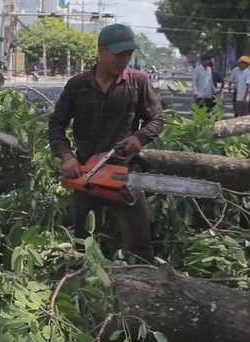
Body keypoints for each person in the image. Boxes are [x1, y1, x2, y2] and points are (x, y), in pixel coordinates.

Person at [48, 24, 164, 264]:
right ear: (102, 50)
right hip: (87, 174)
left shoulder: (138, 82)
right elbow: (56, 125)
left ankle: (146, 290)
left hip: (125, 173)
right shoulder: (77, 85)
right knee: (82, 244)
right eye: (119, 54)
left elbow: (157, 119)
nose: (124, 60)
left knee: (140, 244)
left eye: (128, 54)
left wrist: (138, 138)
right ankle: (81, 290)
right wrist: (67, 157)